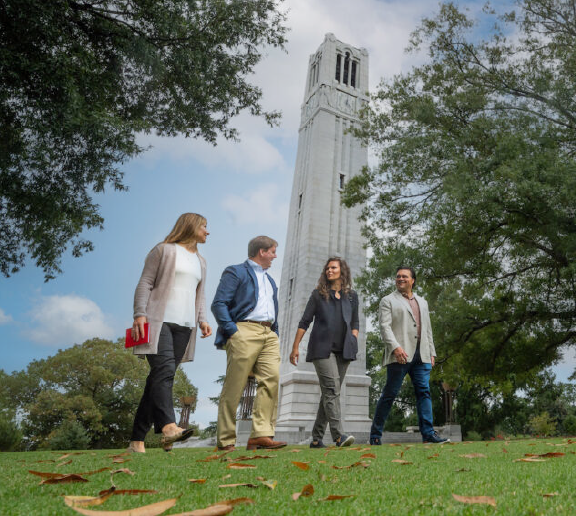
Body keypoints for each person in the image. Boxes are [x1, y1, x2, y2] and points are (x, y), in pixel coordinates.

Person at [127, 213, 212, 453]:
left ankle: (136, 440)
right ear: (191, 227)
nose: (207, 231)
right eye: (204, 226)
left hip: (185, 324)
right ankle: (168, 427)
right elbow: (145, 283)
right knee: (163, 373)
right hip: (158, 320)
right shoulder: (163, 250)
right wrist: (139, 314)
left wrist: (203, 320)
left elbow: (200, 294)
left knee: (158, 378)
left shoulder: (201, 261)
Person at [211, 236, 286, 451]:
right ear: (261, 251)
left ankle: (260, 435)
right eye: (272, 251)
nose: (275, 256)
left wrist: (275, 332)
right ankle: (226, 440)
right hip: (244, 330)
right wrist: (233, 331)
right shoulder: (235, 271)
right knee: (235, 384)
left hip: (269, 333)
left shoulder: (271, 281)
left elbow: (273, 308)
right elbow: (219, 303)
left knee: (271, 380)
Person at [370, 266, 448, 445]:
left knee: (424, 393)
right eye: (398, 276)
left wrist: (431, 352)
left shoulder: (423, 302)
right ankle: (375, 435)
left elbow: (427, 328)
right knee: (390, 393)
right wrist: (395, 348)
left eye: (404, 276)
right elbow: (384, 327)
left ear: (413, 280)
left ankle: (428, 434)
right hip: (400, 355)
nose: (400, 279)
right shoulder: (387, 300)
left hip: (422, 355)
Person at [290, 257, 358, 448]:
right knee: (331, 390)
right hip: (321, 349)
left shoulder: (352, 296)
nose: (329, 271)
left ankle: (316, 438)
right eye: (327, 268)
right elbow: (305, 321)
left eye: (333, 268)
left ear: (342, 271)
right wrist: (295, 347)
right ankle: (339, 436)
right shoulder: (318, 295)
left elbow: (355, 322)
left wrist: (353, 337)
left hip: (344, 350)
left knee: (330, 393)